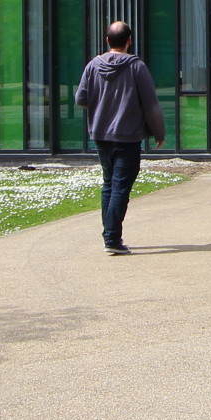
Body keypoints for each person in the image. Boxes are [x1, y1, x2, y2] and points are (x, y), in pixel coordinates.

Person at [74, 20, 163, 256]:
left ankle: (109, 235)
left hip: (101, 134)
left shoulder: (93, 66)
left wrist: (101, 102)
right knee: (120, 186)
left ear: (107, 41)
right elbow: (150, 103)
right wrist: (159, 132)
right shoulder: (136, 67)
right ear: (129, 41)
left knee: (109, 184)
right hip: (128, 135)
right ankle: (112, 238)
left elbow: (80, 99)